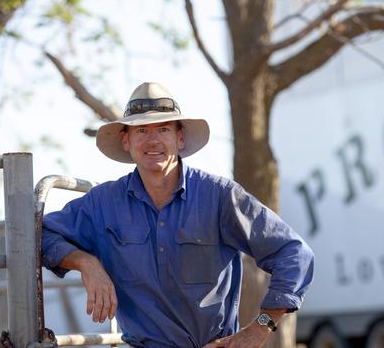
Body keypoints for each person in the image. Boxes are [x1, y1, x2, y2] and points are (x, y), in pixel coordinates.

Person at [41, 82, 314, 348]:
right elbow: (40, 235)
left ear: (179, 138)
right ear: (126, 140)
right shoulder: (103, 204)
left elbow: (294, 254)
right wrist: (87, 264)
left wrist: (259, 328)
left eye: (163, 129)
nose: (153, 140)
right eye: (141, 131)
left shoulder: (219, 196)